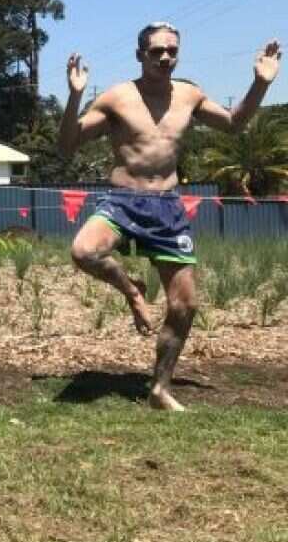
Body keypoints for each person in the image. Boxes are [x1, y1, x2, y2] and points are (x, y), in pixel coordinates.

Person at [60, 23, 280, 411]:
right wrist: (75, 97)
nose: (165, 57)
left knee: (185, 304)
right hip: (123, 201)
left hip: (167, 207)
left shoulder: (190, 95)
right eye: (156, 51)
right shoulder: (117, 98)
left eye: (171, 51)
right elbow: (67, 144)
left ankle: (160, 388)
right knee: (83, 251)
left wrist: (260, 84)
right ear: (140, 55)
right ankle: (133, 291)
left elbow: (234, 124)